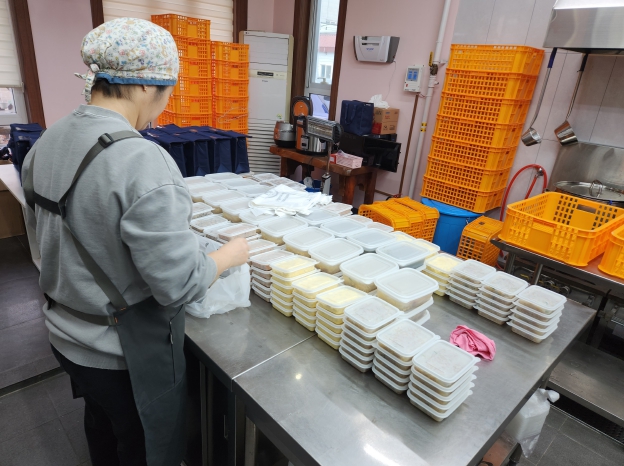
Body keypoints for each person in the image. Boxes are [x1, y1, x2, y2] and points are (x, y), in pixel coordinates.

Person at [21, 18, 249, 466]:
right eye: (167, 92)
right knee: (142, 447)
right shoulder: (142, 159)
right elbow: (180, 285)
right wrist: (227, 256)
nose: (161, 109)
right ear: (146, 85)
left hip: (65, 335)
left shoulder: (48, 140)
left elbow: (45, 240)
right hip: (120, 353)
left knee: (101, 426)